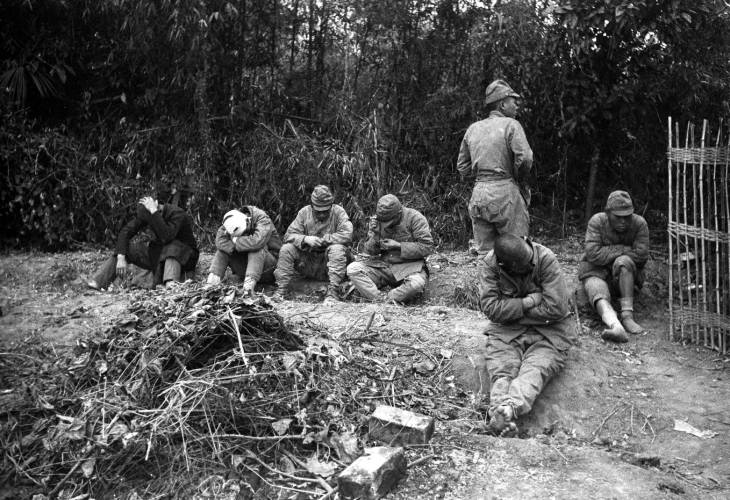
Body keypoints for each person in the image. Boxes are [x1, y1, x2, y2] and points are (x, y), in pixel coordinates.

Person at [479, 234, 574, 436]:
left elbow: (556, 308)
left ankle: (510, 407)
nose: (530, 266)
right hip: (507, 331)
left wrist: (512, 312)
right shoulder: (491, 264)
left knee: (536, 368)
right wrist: (529, 302)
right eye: (523, 267)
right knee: (502, 368)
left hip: (550, 331)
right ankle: (499, 412)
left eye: (530, 261)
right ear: (506, 265)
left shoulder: (545, 258)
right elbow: (491, 308)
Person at [457, 79, 533, 254]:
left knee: (485, 254)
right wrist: (517, 178)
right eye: (514, 102)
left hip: (479, 195)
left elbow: (462, 167)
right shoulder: (511, 125)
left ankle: (489, 282)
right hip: (505, 192)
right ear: (502, 104)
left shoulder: (473, 129)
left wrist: (482, 178)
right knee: (517, 250)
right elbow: (526, 158)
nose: (517, 106)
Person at [579, 190, 649, 343]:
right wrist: (623, 249)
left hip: (624, 277)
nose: (623, 221)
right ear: (608, 213)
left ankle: (627, 316)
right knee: (597, 290)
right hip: (595, 272)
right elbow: (592, 254)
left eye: (627, 216)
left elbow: (642, 255)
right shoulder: (597, 221)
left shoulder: (639, 224)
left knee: (624, 262)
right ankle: (615, 325)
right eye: (618, 217)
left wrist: (617, 256)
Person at [88, 195, 199, 289]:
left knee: (173, 247)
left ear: (156, 204)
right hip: (160, 255)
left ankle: (171, 284)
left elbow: (167, 236)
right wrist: (121, 257)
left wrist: (154, 211)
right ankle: (98, 281)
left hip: (185, 256)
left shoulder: (177, 213)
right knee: (129, 248)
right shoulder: (147, 213)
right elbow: (126, 232)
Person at [346, 194, 434, 303]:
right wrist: (376, 235)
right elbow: (369, 252)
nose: (385, 225)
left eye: (389, 222)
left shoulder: (415, 218)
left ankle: (390, 298)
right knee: (353, 269)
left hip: (409, 268)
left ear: (399, 213)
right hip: (384, 267)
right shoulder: (378, 221)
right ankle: (380, 299)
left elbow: (427, 247)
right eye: (383, 222)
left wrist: (398, 246)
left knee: (416, 284)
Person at [273, 185, 353, 304]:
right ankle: (281, 290)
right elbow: (288, 236)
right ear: (312, 206)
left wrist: (326, 240)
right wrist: (305, 239)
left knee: (337, 249)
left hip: (331, 264)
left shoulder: (338, 212)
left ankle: (333, 291)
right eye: (318, 211)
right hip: (309, 262)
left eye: (325, 211)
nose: (321, 215)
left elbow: (348, 234)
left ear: (331, 206)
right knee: (287, 248)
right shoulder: (304, 213)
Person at [206, 207, 282, 295]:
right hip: (246, 266)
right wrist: (237, 246)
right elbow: (220, 241)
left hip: (269, 268)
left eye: (245, 232)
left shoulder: (263, 219)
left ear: (248, 220)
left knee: (256, 248)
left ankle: (248, 290)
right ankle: (210, 286)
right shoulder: (232, 219)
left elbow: (257, 242)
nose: (244, 235)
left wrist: (236, 241)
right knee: (223, 251)